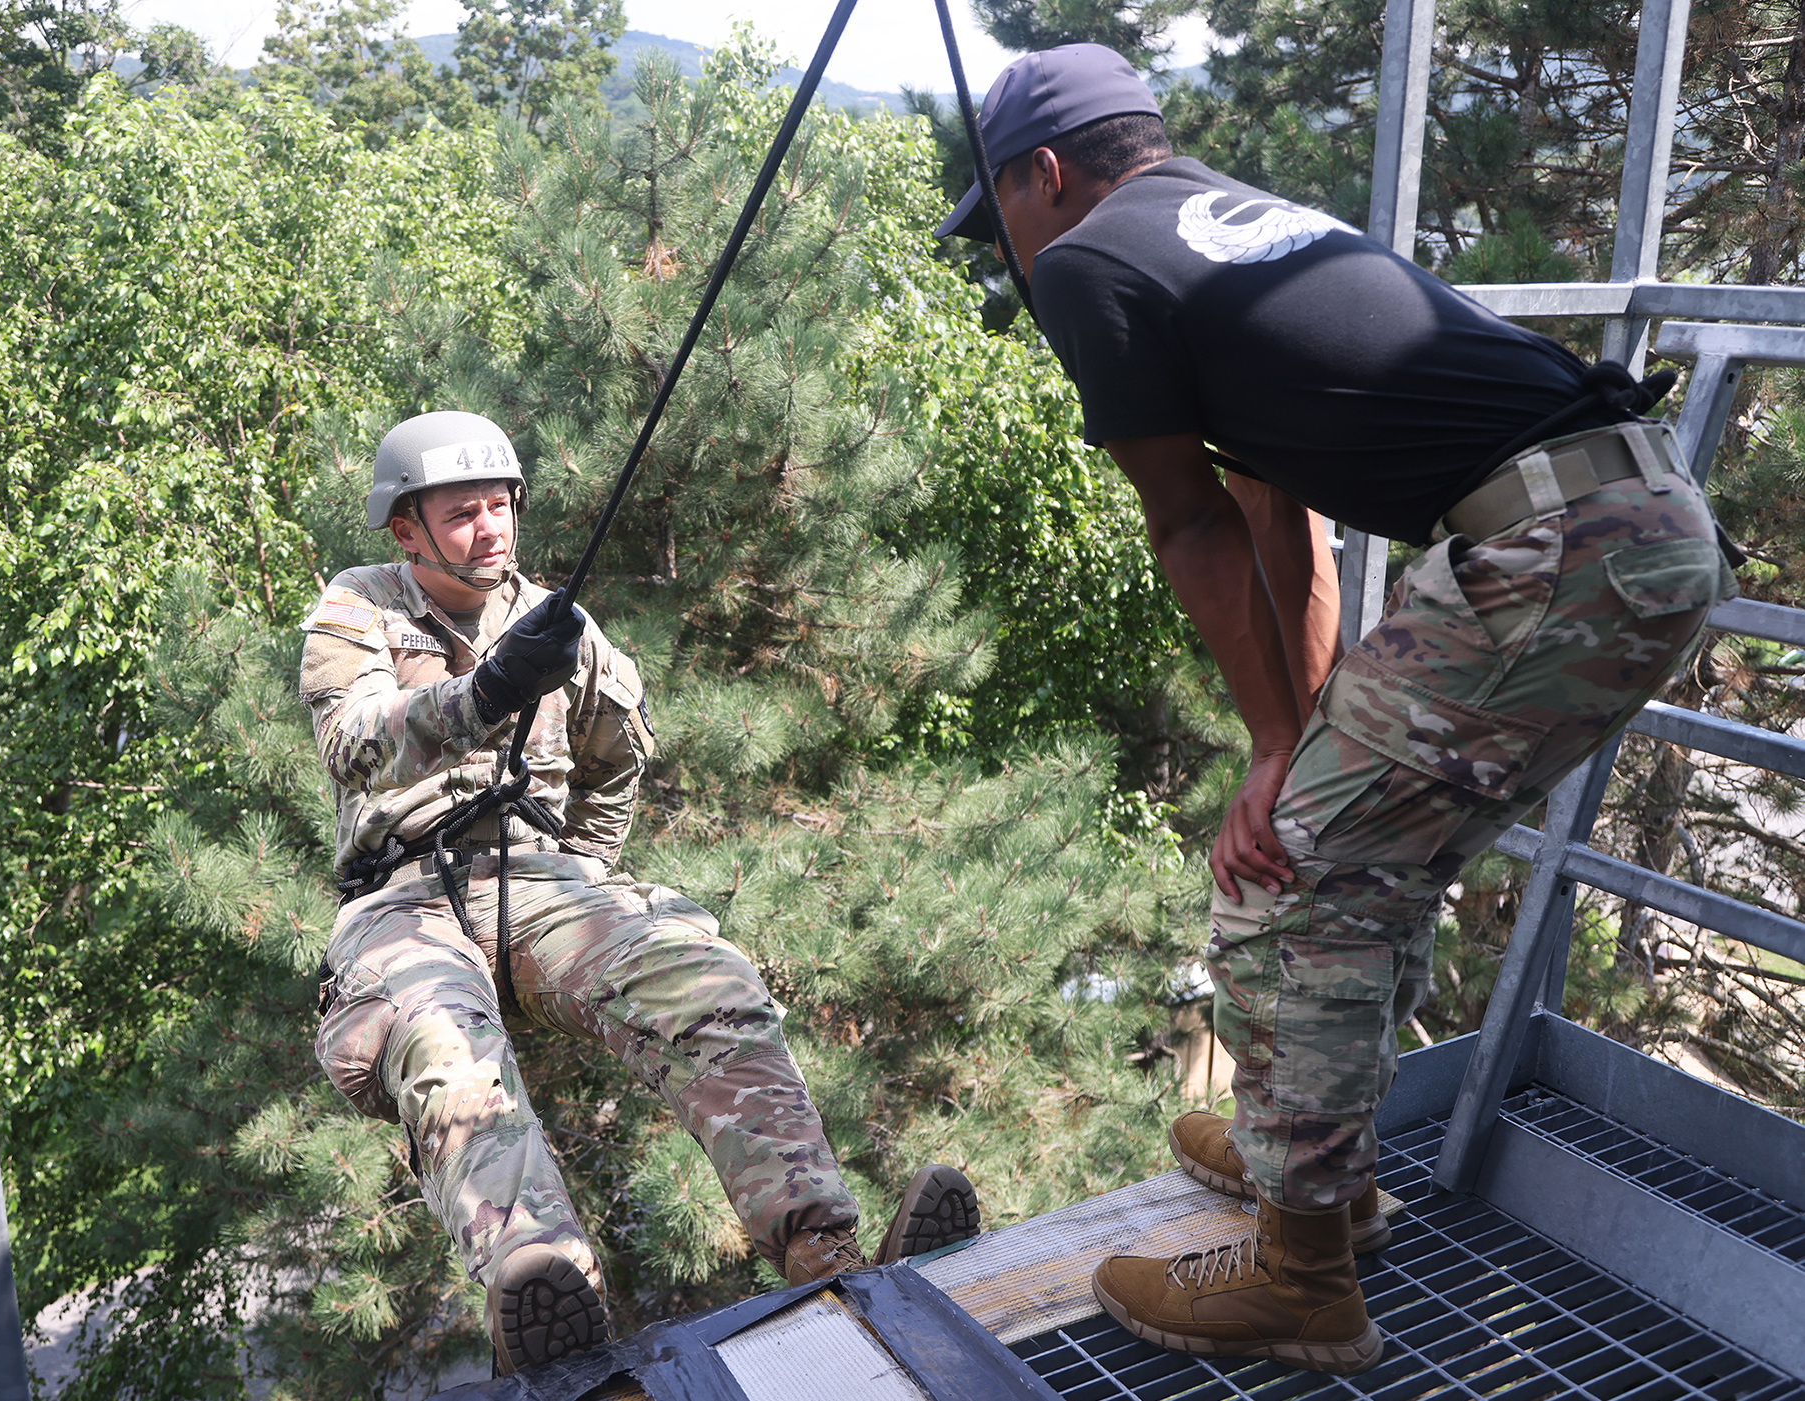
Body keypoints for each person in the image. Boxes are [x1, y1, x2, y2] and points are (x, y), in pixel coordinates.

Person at [937, 44, 1735, 1376]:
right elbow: (1274, 505)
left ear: (1046, 174)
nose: (1008, 251)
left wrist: (1272, 759)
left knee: (1292, 876)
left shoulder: (1087, 260)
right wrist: (1291, 742)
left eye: (996, 214)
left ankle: (1305, 1276)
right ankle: (1321, 1168)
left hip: (1557, 549)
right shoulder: (1223, 225)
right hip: (1629, 518)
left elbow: (1188, 521)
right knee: (1367, 853)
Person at [298, 410, 982, 1374]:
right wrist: (485, 691)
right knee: (441, 1045)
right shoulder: (357, 607)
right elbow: (355, 742)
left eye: (500, 505)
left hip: (537, 878)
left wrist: (585, 876)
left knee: (699, 972)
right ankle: (545, 1284)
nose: (490, 527)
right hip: (403, 895)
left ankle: (820, 1245)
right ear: (407, 529)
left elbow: (617, 757)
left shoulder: (557, 625)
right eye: (462, 513)